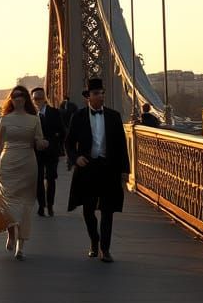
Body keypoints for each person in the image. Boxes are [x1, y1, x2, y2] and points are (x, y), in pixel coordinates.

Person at [66, 77, 131, 263]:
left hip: (108, 169)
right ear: (88, 97)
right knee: (88, 210)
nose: (100, 96)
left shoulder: (114, 116)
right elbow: (69, 143)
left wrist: (125, 171)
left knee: (107, 210)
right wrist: (75, 158)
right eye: (96, 94)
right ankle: (94, 241)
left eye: (102, 93)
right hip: (87, 168)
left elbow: (121, 145)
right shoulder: (77, 117)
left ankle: (105, 249)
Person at [0, 85, 47, 260]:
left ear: (25, 99)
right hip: (8, 164)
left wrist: (42, 143)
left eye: (21, 96)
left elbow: (39, 138)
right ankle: (11, 233)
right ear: (11, 99)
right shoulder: (5, 119)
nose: (18, 99)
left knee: (25, 205)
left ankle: (21, 245)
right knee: (7, 201)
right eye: (14, 96)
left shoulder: (34, 119)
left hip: (28, 164)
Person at [30, 86, 66, 216]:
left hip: (51, 152)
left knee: (51, 179)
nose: (38, 100)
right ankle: (41, 205)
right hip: (36, 152)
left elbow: (62, 132)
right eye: (35, 98)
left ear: (45, 98)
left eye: (40, 97)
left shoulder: (55, 112)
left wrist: (52, 142)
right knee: (38, 180)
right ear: (32, 100)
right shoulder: (30, 115)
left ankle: (50, 205)